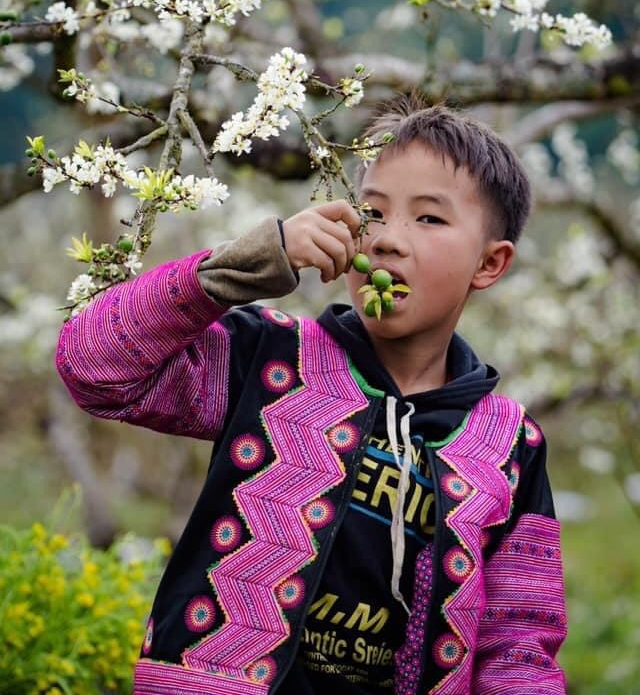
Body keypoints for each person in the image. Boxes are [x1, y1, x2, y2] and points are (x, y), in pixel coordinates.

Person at [56, 93, 568, 695]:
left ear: (490, 263)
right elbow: (93, 364)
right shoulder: (271, 360)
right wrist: (247, 264)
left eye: (429, 219)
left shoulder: (510, 446)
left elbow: (518, 646)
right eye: (371, 212)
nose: (387, 240)